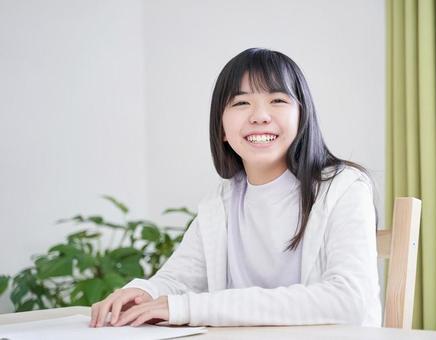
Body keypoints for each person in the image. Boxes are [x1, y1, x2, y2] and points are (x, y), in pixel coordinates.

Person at [89, 48, 381, 328]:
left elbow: (349, 299)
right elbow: (178, 281)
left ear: (302, 117)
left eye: (278, 100)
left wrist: (192, 308)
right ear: (222, 129)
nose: (260, 116)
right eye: (241, 103)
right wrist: (144, 293)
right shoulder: (221, 202)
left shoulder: (344, 188)